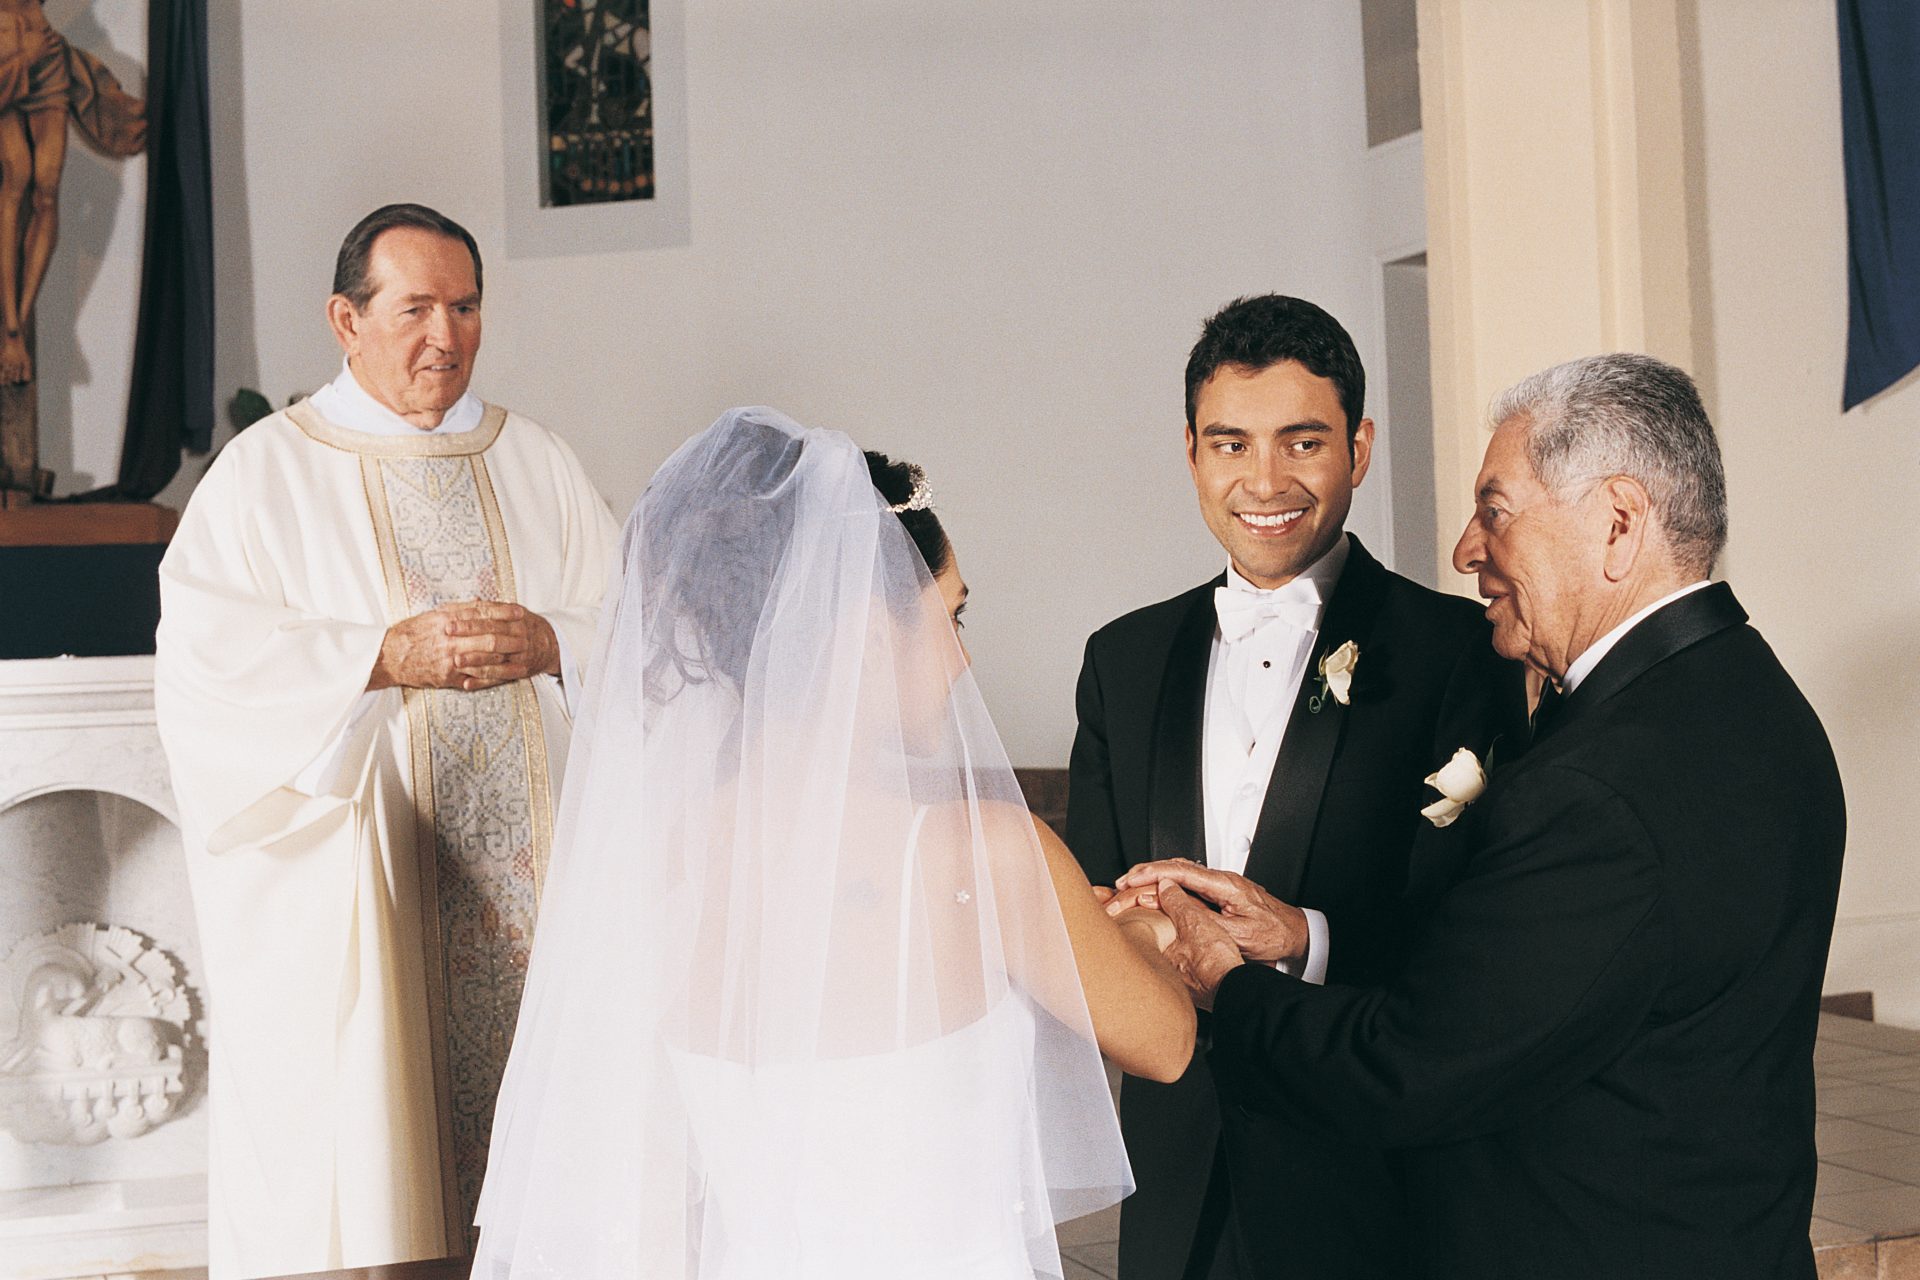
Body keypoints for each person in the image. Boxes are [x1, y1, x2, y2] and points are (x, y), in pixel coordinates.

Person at [1143, 353, 1846, 1280]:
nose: (1468, 547)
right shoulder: (1751, 700)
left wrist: (1223, 984)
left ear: (1620, 523)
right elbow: (1532, 985)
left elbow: (1409, 1071)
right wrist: (1302, 939)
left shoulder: (1600, 786)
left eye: (1496, 509)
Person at [472, 408, 1195, 1280]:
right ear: (854, 629)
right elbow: (1165, 1042)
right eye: (950, 619)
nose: (963, 663)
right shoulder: (986, 855)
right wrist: (1142, 935)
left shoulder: (658, 860)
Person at [155, 203, 620, 1279]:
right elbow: (210, 664)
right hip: (372, 897)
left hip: (537, 900)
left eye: (465, 307)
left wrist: (557, 637)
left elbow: (639, 632)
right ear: (345, 319)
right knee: (384, 1173)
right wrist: (375, 656)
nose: (445, 335)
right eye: (414, 307)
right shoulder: (266, 474)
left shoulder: (537, 460)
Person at [1066, 294, 1524, 1279]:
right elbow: (1096, 905)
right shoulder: (1123, 659)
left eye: (1301, 441)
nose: (1264, 480)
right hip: (1177, 1171)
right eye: (1231, 444)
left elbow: (1477, 925)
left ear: (1358, 449)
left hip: (1367, 1173)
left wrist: (1305, 935)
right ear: (1190, 451)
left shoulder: (1457, 653)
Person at [0, 0, 144, 383]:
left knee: (45, 191)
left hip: (48, 61)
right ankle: (10, 326)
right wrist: (22, 58)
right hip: (8, 50)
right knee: (16, 180)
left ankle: (18, 324)